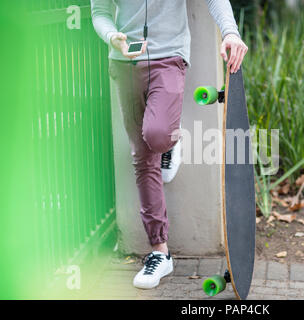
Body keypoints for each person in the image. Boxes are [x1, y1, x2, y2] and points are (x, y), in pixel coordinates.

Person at [90, 0, 248, 289]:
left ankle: (169, 142)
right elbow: (99, 12)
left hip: (169, 58)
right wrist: (112, 36)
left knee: (157, 134)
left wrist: (230, 33)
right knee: (143, 158)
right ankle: (160, 252)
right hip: (125, 62)